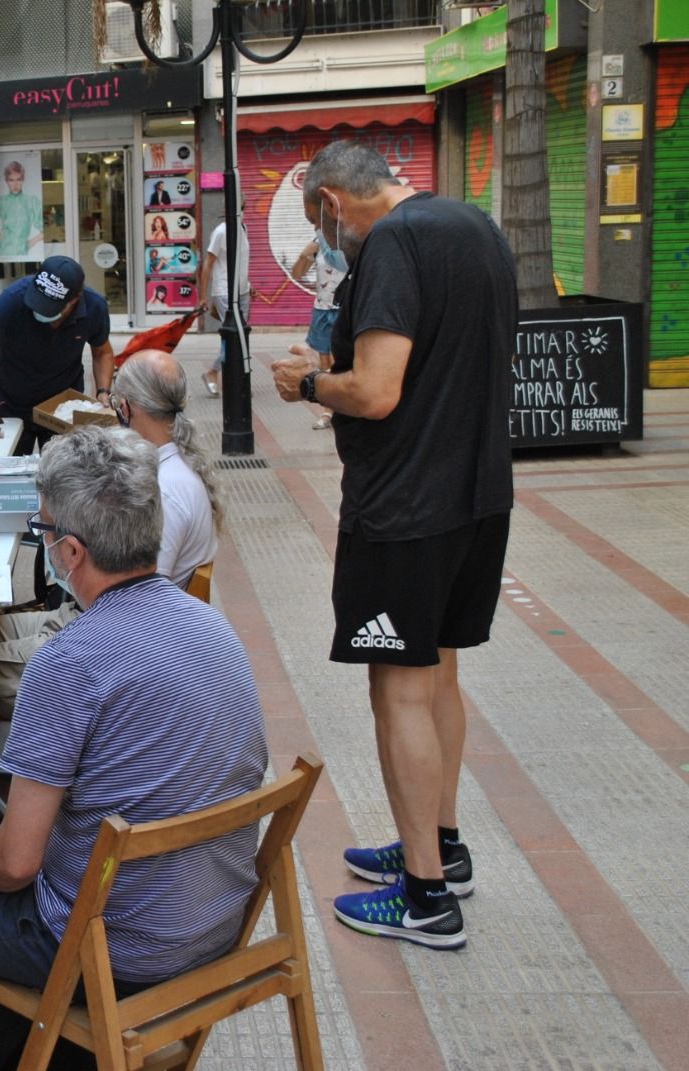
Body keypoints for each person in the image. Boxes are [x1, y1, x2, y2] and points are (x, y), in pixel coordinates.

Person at [0, 426, 267, 1070]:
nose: (43, 545)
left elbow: (16, 864)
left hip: (112, 948)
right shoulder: (212, 625)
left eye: (43, 533)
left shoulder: (70, 660)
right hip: (214, 923)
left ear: (72, 551)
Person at [270, 139, 516, 950]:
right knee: (440, 670)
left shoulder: (392, 246)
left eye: (321, 224)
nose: (328, 241)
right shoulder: (474, 227)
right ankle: (440, 843)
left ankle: (423, 895)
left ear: (333, 203)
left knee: (398, 690)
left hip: (406, 508)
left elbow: (375, 390)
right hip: (477, 496)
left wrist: (308, 380)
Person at [0, 350, 222, 716]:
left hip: (117, 632)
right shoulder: (168, 465)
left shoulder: (164, 490)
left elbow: (135, 599)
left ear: (126, 408)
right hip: (105, 617)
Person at [0, 256, 114, 455]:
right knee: (9, 474)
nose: (41, 310)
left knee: (64, 477)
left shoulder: (94, 307)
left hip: (62, 409)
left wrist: (103, 391)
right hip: (12, 403)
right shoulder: (15, 296)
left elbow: (102, 352)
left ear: (75, 299)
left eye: (50, 306)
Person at [290, 231, 348, 430]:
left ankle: (339, 408)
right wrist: (304, 255)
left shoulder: (350, 241)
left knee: (337, 361)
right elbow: (296, 274)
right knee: (324, 363)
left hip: (344, 309)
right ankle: (329, 410)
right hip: (322, 309)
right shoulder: (319, 242)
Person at [197, 210, 253, 398]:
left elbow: (240, 262)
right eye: (240, 209)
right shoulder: (221, 231)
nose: (243, 214)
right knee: (234, 337)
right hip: (225, 292)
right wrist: (203, 295)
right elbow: (208, 263)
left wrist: (248, 285)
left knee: (240, 338)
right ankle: (217, 374)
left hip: (243, 291)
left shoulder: (243, 228)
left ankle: (234, 379)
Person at [0, 160, 42, 259]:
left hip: (23, 255)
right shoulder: (1, 201)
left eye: (18, 179)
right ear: (6, 181)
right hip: (1, 254)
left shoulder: (31, 201)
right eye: (11, 180)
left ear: (23, 180)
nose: (15, 184)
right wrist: (2, 240)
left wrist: (28, 244)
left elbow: (43, 229)